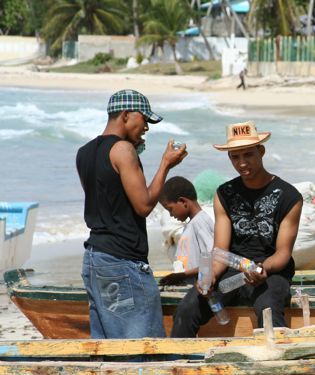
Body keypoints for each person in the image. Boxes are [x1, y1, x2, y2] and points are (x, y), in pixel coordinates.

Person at [171, 121, 302, 337]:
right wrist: (210, 276)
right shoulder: (225, 194)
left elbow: (283, 253)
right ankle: (176, 363)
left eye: (248, 154)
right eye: (235, 157)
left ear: (261, 151)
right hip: (233, 274)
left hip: (270, 273)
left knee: (268, 307)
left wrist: (262, 269)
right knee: (188, 307)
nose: (242, 163)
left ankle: (277, 365)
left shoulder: (289, 196)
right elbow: (220, 251)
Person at [76, 89, 187, 339]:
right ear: (126, 115)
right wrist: (165, 165)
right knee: (140, 346)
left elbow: (107, 203)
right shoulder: (123, 150)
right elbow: (144, 205)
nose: (146, 127)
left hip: (95, 258)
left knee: (107, 346)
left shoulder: (84, 152)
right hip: (121, 260)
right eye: (144, 120)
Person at [158, 176, 214, 286]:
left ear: (183, 202)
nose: (171, 215)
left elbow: (213, 261)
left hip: (201, 287)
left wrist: (183, 275)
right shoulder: (191, 225)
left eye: (170, 209)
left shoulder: (200, 223)